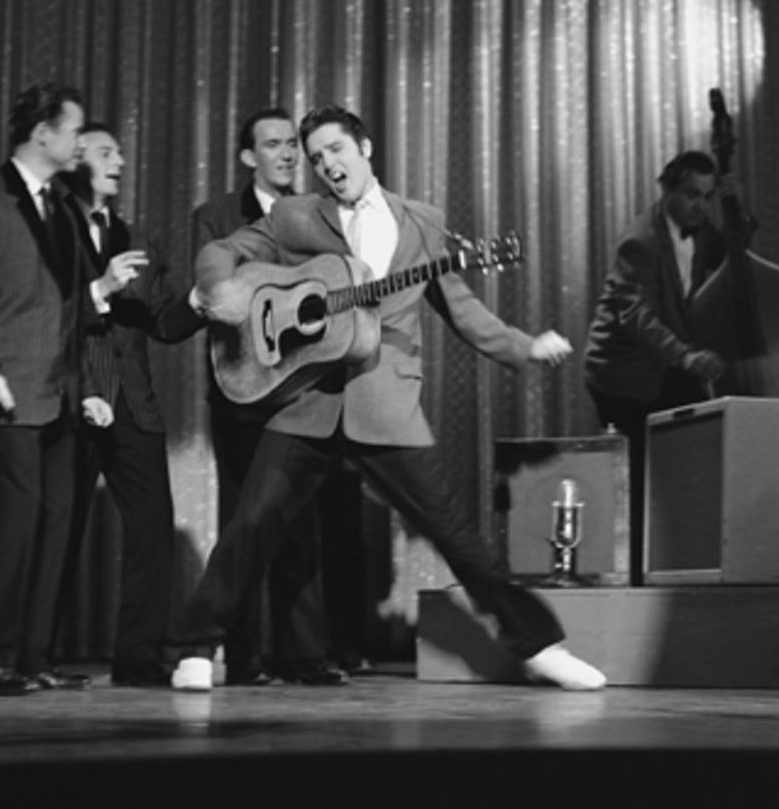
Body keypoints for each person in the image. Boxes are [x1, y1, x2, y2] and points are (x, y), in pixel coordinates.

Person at [171, 104, 606, 692]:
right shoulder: (298, 215)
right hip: (308, 400)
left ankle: (538, 646)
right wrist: (216, 286)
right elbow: (225, 248)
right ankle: (198, 647)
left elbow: (464, 311)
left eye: (337, 150)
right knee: (251, 523)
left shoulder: (422, 222)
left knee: (454, 533)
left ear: (365, 148)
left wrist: (524, 348)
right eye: (318, 157)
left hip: (386, 403)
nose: (327, 164)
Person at [191, 108, 346, 686]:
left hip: (302, 390)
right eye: (273, 144)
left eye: (292, 146)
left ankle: (302, 654)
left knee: (300, 525)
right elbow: (215, 296)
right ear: (247, 156)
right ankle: (242, 656)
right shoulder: (216, 217)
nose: (288, 154)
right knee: (244, 525)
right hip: (240, 390)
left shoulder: (314, 215)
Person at [0, 81, 94, 696]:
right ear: (43, 134)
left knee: (53, 525)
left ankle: (35, 655)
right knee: (5, 529)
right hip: (4, 390)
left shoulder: (64, 204)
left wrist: (87, 383)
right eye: (73, 130)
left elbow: (74, 303)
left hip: (59, 392)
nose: (81, 142)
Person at [54, 122, 203, 687]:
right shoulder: (52, 227)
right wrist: (102, 286)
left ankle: (138, 656)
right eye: (105, 151)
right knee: (59, 529)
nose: (119, 160)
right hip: (74, 396)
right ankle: (34, 654)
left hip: (134, 404)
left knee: (152, 531)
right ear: (76, 159)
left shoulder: (135, 236)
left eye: (119, 151)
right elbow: (39, 311)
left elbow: (164, 322)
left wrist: (200, 300)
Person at [582, 150, 728, 584]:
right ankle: (633, 581)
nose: (698, 206)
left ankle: (676, 569)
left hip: (666, 365)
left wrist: (741, 216)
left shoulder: (705, 237)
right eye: (689, 195)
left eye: (706, 197)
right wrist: (685, 356)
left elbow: (731, 256)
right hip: (623, 370)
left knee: (687, 466)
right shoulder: (641, 240)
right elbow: (634, 315)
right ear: (666, 190)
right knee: (642, 478)